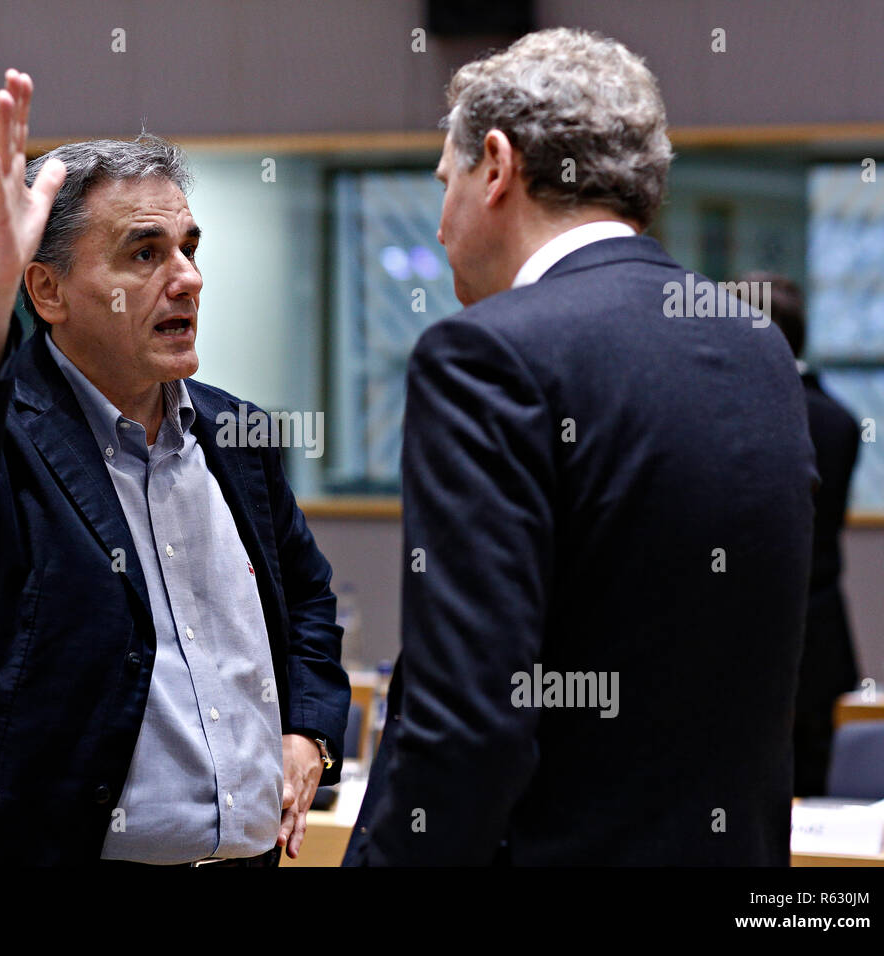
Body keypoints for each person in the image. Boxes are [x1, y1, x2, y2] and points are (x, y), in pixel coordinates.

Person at [344, 28, 817, 866]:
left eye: (444, 182)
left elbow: (469, 723)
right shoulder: (757, 348)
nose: (444, 223)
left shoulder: (488, 354)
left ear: (496, 165)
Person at [0, 71, 348, 866]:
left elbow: (306, 594)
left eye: (188, 247)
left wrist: (309, 727)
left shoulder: (236, 432)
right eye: (144, 253)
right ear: (47, 290)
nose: (185, 276)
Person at [738, 271, 861, 796]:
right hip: (823, 624)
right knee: (815, 789)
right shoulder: (840, 419)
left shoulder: (740, 410)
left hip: (747, 624)